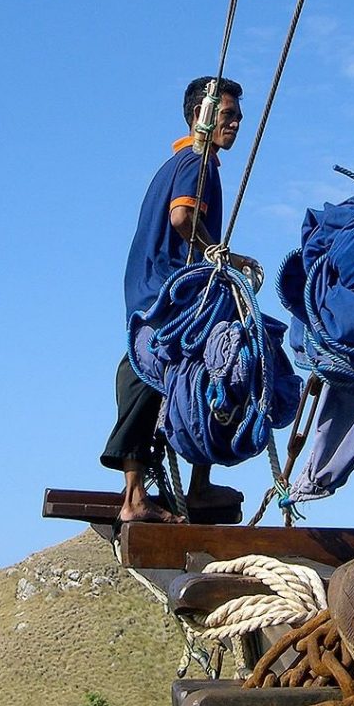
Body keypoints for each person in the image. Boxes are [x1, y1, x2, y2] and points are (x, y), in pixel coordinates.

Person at [101, 76, 257, 524]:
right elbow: (183, 216)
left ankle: (157, 489)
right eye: (229, 114)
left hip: (151, 291)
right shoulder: (197, 160)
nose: (237, 122)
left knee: (159, 374)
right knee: (220, 364)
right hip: (173, 290)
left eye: (238, 116)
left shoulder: (173, 164)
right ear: (202, 116)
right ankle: (177, 490)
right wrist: (219, 253)